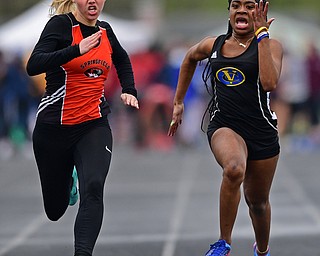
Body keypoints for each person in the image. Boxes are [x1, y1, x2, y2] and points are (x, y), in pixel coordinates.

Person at [168, 0, 283, 256]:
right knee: (233, 169)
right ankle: (223, 243)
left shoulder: (271, 46)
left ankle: (262, 250)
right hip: (225, 125)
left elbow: (269, 82)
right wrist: (178, 102)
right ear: (229, 12)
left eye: (249, 5)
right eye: (236, 5)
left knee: (258, 204)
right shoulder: (214, 45)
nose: (241, 10)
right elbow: (188, 58)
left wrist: (262, 36)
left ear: (260, 12)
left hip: (261, 131)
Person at [26, 0, 139, 255]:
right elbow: (34, 65)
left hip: (93, 124)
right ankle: (69, 182)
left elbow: (122, 59)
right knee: (54, 210)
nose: (93, 1)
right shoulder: (61, 26)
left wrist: (129, 89)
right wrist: (75, 50)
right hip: (53, 128)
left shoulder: (106, 30)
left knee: (95, 188)